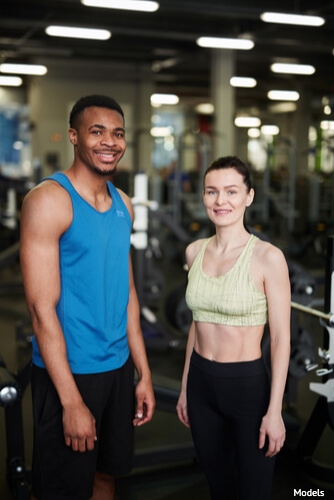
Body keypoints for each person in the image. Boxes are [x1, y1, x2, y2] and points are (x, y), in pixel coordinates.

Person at [20, 94, 156, 500]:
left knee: (105, 477)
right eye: (97, 131)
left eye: (117, 133)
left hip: (116, 370)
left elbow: (128, 293)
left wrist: (143, 373)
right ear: (74, 136)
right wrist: (71, 402)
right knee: (61, 489)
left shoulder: (124, 206)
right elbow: (41, 311)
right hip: (69, 371)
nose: (109, 142)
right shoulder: (48, 200)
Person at [176, 156, 290, 500]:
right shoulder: (194, 252)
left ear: (249, 196)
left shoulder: (268, 258)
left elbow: (282, 339)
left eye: (231, 191)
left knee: (253, 490)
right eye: (212, 192)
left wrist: (275, 411)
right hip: (200, 385)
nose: (220, 201)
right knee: (218, 486)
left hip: (247, 389)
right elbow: (196, 327)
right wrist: (184, 387)